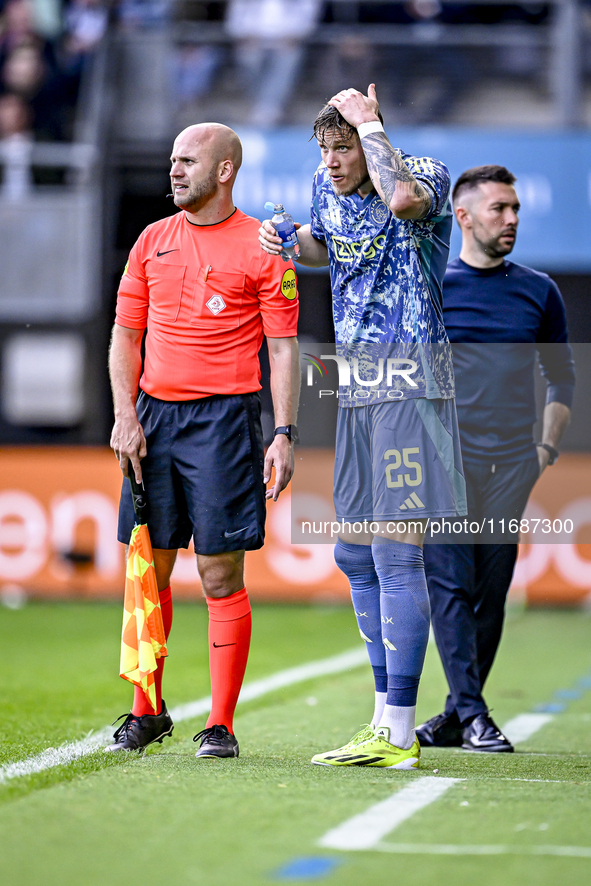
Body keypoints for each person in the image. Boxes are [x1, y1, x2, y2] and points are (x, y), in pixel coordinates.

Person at [259, 84, 466, 770]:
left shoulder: (423, 175)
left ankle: (401, 732)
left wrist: (370, 121)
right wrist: (286, 242)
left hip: (412, 383)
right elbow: (325, 246)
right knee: (353, 554)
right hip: (358, 388)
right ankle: (382, 718)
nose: (331, 163)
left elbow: (401, 202)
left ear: (369, 139)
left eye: (341, 147)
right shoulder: (327, 187)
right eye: (323, 150)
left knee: (394, 552)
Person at [107, 122, 300, 758]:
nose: (173, 170)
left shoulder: (264, 247)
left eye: (187, 161)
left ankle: (220, 725)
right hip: (154, 420)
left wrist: (283, 432)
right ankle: (147, 710)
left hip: (226, 423)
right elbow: (125, 337)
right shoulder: (150, 240)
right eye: (171, 160)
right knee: (148, 568)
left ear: (224, 171)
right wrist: (124, 416)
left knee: (220, 572)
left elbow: (283, 347)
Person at [418, 165, 575, 752]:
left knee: (492, 589)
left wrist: (545, 449)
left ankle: (457, 717)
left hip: (513, 464)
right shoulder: (432, 287)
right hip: (445, 462)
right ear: (463, 216)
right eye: (498, 209)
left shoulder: (539, 290)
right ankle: (477, 715)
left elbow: (561, 378)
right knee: (450, 585)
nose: (511, 219)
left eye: (514, 209)